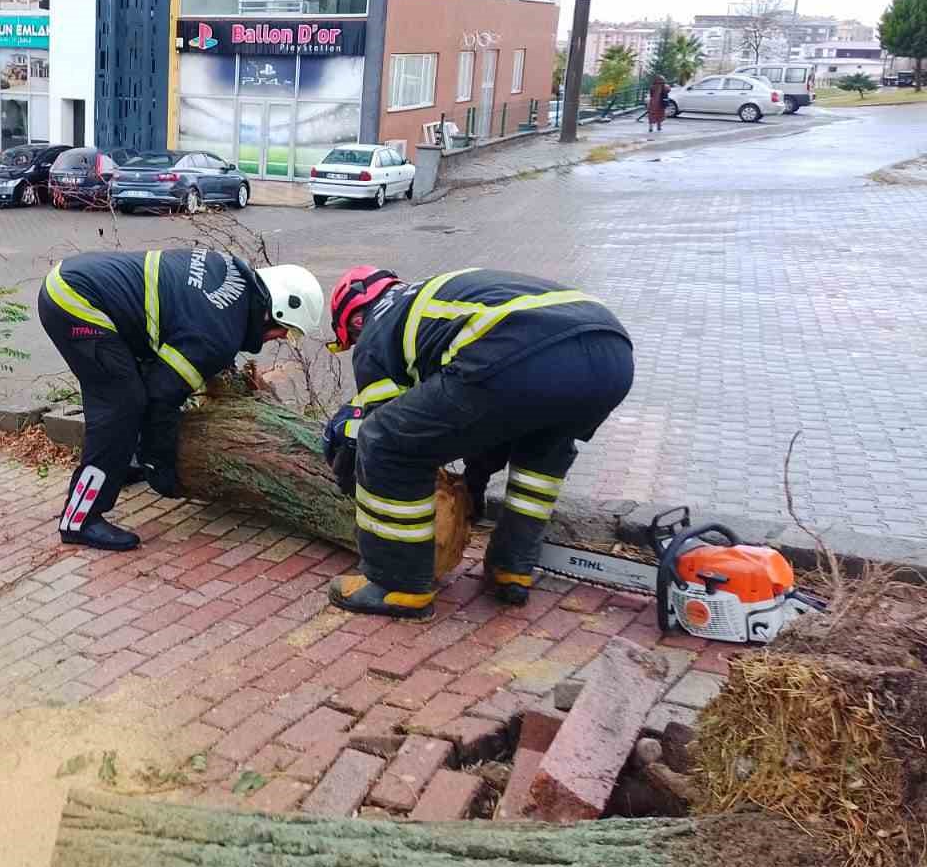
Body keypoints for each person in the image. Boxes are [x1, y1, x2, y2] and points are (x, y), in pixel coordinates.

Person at [320, 267, 633, 620]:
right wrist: (474, 484)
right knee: (542, 449)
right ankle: (512, 566)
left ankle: (397, 584)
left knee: (386, 441)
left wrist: (349, 468)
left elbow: (384, 430)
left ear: (354, 320)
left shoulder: (378, 329)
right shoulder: (428, 300)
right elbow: (489, 423)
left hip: (525, 349)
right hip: (611, 354)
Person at [39, 250, 324, 551]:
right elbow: (162, 395)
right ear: (274, 310)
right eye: (287, 331)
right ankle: (80, 519)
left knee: (132, 391)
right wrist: (160, 464)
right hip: (76, 301)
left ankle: (119, 466)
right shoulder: (218, 335)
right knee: (121, 406)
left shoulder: (230, 272)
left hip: (78, 280)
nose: (280, 338)